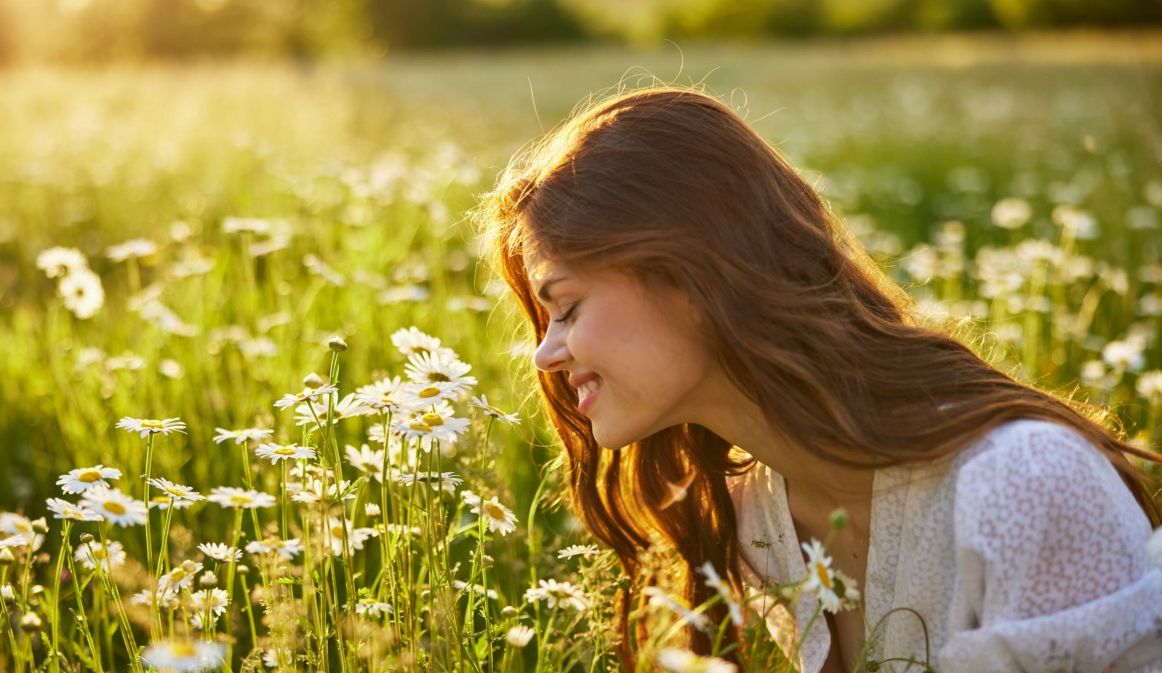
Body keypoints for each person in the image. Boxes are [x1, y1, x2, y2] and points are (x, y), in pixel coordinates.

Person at [478, 86, 1162, 672]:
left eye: (565, 307)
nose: (546, 355)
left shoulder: (1022, 485)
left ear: (690, 275)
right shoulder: (756, 516)